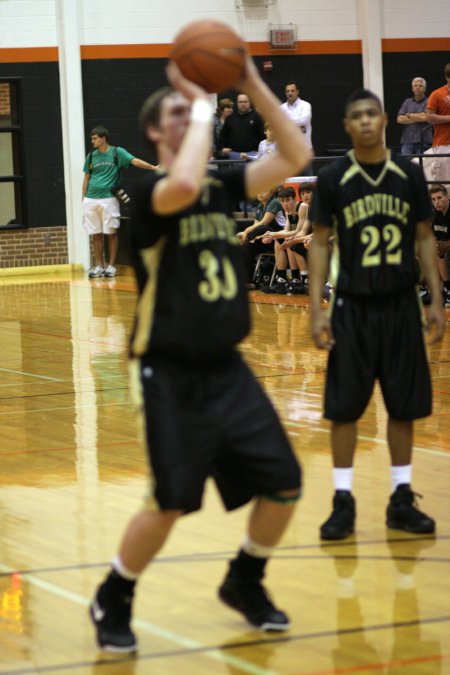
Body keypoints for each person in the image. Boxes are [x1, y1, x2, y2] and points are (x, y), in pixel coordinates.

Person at [89, 52, 311, 652]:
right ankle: (115, 593)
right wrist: (206, 96)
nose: (193, 121)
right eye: (178, 115)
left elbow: (296, 157)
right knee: (170, 504)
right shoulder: (150, 189)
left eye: (196, 114)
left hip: (228, 367)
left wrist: (253, 84)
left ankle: (245, 578)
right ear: (156, 134)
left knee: (285, 483)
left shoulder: (220, 185)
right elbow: (184, 180)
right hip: (169, 372)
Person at [309, 88, 445, 541]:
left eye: (372, 113)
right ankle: (342, 499)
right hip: (351, 304)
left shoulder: (407, 173)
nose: (365, 121)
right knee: (345, 408)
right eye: (356, 116)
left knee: (403, 405)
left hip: (401, 304)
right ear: (347, 126)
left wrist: (436, 299)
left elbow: (425, 237)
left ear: (384, 120)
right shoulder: (333, 177)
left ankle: (401, 497)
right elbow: (321, 243)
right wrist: (316, 307)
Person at [82, 126, 156, 278]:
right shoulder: (91, 156)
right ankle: (99, 266)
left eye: (95, 138)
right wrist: (83, 199)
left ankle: (111, 266)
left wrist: (153, 167)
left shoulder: (117, 152)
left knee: (111, 233)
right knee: (95, 234)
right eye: (92, 138)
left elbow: (134, 161)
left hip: (108, 198)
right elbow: (86, 178)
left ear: (103, 139)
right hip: (91, 199)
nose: (92, 141)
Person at [280, 81, 313, 174]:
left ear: (297, 92)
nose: (290, 93)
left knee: (307, 183)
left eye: (292, 90)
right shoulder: (281, 108)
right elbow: (279, 126)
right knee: (289, 184)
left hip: (305, 150)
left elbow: (304, 120)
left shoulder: (306, 105)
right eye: (287, 91)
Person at [219, 93, 265, 160]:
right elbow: (223, 135)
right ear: (237, 103)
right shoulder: (230, 118)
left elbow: (263, 136)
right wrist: (222, 148)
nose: (243, 104)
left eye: (245, 102)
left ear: (249, 103)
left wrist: (260, 150)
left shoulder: (257, 117)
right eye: (240, 102)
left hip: (252, 154)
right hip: (234, 154)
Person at [425, 63, 450, 184]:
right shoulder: (437, 94)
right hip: (443, 144)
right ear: (447, 77)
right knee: (443, 184)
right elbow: (429, 117)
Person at [397, 77, 433, 155]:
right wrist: (419, 116)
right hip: (407, 141)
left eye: (420, 86)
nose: (417, 87)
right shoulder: (407, 102)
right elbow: (399, 119)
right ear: (412, 88)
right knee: (405, 165)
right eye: (415, 86)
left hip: (424, 141)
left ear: (425, 89)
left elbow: (426, 117)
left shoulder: (430, 101)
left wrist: (409, 115)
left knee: (422, 166)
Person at [429, 183, 450, 305]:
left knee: (444, 251)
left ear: (447, 197)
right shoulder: (434, 215)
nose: (436, 202)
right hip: (443, 248)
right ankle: (445, 289)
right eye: (433, 199)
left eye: (439, 198)